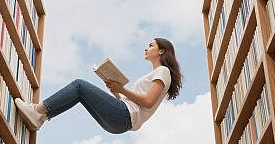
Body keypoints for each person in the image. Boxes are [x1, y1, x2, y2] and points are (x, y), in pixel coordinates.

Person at [15, 37, 182, 134]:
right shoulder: (156, 73)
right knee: (80, 94)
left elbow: (148, 101)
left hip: (124, 117)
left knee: (79, 85)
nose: (146, 48)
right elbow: (134, 103)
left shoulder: (163, 71)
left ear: (161, 51)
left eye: (151, 45)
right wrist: (115, 90)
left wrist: (122, 89)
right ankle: (42, 116)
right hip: (121, 121)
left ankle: (37, 111)